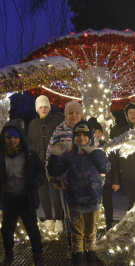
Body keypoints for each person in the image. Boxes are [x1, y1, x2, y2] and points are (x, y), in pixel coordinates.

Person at [0, 120, 46, 266]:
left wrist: (37, 182)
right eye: (8, 137)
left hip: (26, 198)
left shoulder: (30, 153)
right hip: (9, 197)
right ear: (4, 138)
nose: (12, 140)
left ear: (21, 137)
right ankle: (8, 255)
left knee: (32, 230)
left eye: (15, 137)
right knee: (7, 230)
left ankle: (38, 258)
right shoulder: (0, 155)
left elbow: (40, 171)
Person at [47, 121, 111, 266]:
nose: (81, 138)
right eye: (78, 135)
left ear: (89, 137)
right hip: (75, 202)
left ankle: (91, 264)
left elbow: (106, 167)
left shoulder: (96, 153)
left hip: (93, 200)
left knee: (91, 234)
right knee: (77, 235)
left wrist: (91, 151)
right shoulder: (68, 154)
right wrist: (54, 156)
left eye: (84, 135)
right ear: (74, 136)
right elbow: (54, 171)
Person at [46, 100, 87, 248]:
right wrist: (52, 177)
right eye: (71, 113)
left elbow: (97, 154)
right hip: (66, 180)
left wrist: (100, 178)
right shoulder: (59, 131)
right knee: (70, 214)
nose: (74, 116)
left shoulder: (87, 130)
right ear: (66, 115)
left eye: (77, 113)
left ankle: (84, 244)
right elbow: (50, 154)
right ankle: (72, 244)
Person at [28, 95, 63, 232]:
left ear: (49, 107)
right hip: (39, 165)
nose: (43, 109)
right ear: (37, 109)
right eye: (40, 107)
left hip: (54, 164)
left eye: (45, 106)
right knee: (43, 192)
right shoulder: (32, 124)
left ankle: (59, 220)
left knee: (55, 192)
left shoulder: (57, 121)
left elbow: (62, 140)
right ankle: (49, 219)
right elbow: (31, 144)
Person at [88, 117, 120, 231]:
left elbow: (114, 165)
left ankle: (109, 223)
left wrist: (116, 181)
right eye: (94, 132)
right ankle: (92, 225)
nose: (97, 134)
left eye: (99, 132)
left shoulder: (106, 145)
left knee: (107, 203)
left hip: (107, 181)